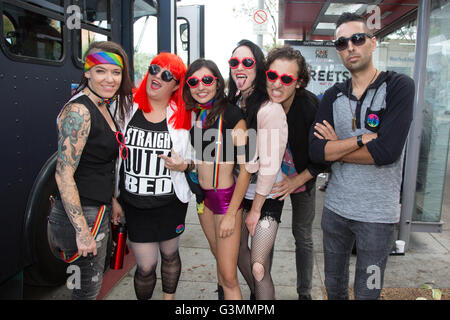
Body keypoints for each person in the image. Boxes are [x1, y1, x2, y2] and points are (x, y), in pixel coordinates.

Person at [309, 12, 415, 300]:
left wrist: (337, 148)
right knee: (334, 288)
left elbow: (387, 152)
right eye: (342, 43)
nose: (350, 47)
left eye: (357, 39)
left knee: (369, 291)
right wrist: (358, 141)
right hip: (335, 213)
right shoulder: (333, 95)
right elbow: (317, 152)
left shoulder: (398, 87)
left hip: (377, 218)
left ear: (373, 42)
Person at [49, 41, 134, 300]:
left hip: (97, 208)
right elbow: (63, 174)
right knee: (86, 290)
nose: (109, 79)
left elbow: (95, 163)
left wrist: (112, 201)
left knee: (87, 288)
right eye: (100, 71)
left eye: (116, 72)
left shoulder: (103, 105)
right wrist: (82, 232)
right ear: (87, 72)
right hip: (81, 216)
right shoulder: (79, 111)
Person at [111, 52, 194, 300]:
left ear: (176, 85)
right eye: (155, 69)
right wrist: (113, 198)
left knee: (170, 256)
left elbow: (197, 160)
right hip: (135, 205)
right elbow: (110, 157)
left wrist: (184, 166)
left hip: (170, 204)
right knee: (145, 267)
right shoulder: (124, 108)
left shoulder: (184, 116)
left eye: (167, 74)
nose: (157, 76)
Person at [184, 58, 250, 300]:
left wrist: (232, 214)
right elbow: (204, 161)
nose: (200, 86)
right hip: (204, 203)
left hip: (225, 202)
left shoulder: (233, 115)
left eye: (207, 80)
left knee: (229, 277)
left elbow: (246, 169)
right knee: (221, 271)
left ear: (217, 82)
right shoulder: (198, 116)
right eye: (194, 81)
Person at [266, 46, 327, 300]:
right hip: (270, 180)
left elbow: (325, 157)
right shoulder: (261, 101)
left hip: (303, 177)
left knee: (302, 236)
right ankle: (261, 290)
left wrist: (296, 180)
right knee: (264, 236)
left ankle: (305, 293)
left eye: (287, 78)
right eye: (272, 76)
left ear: (299, 82)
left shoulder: (311, 106)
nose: (277, 84)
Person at [228, 39, 288, 300]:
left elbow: (269, 165)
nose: (240, 67)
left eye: (247, 62)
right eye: (234, 62)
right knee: (237, 252)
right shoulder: (232, 105)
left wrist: (254, 210)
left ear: (258, 68)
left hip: (266, 196)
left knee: (258, 264)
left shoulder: (269, 109)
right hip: (239, 193)